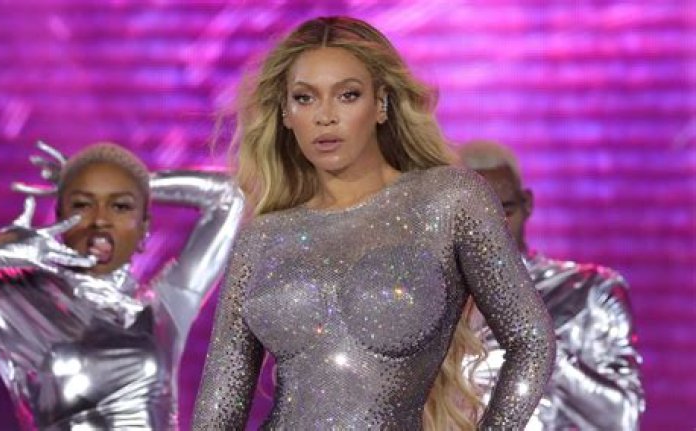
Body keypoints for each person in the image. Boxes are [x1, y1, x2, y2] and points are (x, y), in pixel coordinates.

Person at [192, 16, 556, 430]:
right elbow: (218, 408)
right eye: (305, 98)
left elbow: (531, 341)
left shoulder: (448, 199)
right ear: (286, 114)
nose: (325, 116)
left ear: (381, 103)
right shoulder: (262, 237)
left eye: (347, 95)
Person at [0, 141, 243, 429]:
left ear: (144, 228)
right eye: (82, 204)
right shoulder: (12, 299)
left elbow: (228, 197)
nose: (100, 220)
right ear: (60, 217)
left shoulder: (161, 309)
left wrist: (133, 182)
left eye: (120, 206)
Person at [456, 140, 645, 430]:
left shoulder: (589, 293)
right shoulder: (431, 303)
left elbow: (621, 418)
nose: (492, 228)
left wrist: (542, 348)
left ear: (527, 204)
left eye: (505, 210)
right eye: (475, 217)